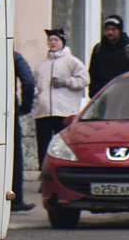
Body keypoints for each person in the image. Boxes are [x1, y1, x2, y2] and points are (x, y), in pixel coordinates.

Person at [32, 28, 87, 159]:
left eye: (56, 40)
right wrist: (37, 96)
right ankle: (44, 170)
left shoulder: (72, 61)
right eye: (50, 40)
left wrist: (65, 82)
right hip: (43, 112)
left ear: (62, 42)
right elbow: (34, 84)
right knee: (43, 146)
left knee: (62, 145)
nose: (53, 43)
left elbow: (84, 79)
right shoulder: (41, 65)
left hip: (64, 111)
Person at [87, 14, 129, 96]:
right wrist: (93, 94)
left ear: (120, 31)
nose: (110, 32)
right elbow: (93, 73)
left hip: (125, 97)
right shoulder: (99, 49)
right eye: (107, 29)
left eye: (113, 29)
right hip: (103, 97)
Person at [12, 48, 36, 212]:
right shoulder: (13, 56)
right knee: (14, 154)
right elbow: (28, 81)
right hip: (7, 111)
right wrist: (25, 107)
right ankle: (15, 198)